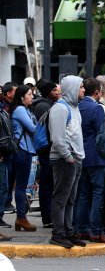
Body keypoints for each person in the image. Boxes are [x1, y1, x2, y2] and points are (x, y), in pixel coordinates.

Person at [48, 75, 86, 248]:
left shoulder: (73, 107)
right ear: (72, 88)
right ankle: (58, 233)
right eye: (81, 87)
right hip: (65, 160)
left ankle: (68, 232)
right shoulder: (60, 109)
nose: (84, 90)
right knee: (61, 198)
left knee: (70, 199)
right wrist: (69, 157)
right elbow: (57, 138)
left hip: (74, 159)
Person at [75, 77, 105, 243]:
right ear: (97, 92)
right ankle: (96, 230)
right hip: (96, 157)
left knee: (83, 194)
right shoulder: (96, 109)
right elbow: (102, 133)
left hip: (81, 155)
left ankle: (82, 229)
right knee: (98, 194)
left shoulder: (78, 106)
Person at [9, 85, 37, 231]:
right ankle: (21, 218)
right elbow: (33, 128)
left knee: (20, 185)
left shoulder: (24, 109)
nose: (32, 96)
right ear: (21, 97)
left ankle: (20, 218)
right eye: (29, 94)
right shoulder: (20, 110)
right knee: (21, 186)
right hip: (22, 150)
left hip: (24, 150)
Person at [32, 79, 59, 228]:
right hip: (46, 149)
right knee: (47, 183)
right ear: (49, 92)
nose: (58, 93)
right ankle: (47, 217)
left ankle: (49, 216)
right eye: (55, 90)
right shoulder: (44, 106)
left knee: (48, 183)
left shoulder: (45, 105)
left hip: (46, 149)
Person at [1, 82, 18, 214]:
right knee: (4, 183)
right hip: (4, 150)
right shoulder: (6, 109)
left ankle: (6, 204)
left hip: (7, 150)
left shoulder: (7, 108)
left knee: (8, 179)